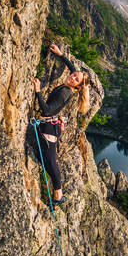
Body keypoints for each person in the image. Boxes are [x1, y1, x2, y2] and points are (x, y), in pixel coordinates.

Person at [33, 44, 90, 206]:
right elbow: (73, 68)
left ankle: (58, 195)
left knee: (51, 162)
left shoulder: (65, 93)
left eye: (76, 79)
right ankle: (57, 193)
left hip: (49, 128)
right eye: (73, 75)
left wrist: (37, 91)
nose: (72, 76)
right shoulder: (70, 84)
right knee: (45, 158)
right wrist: (60, 54)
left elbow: (47, 110)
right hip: (50, 126)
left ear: (78, 87)